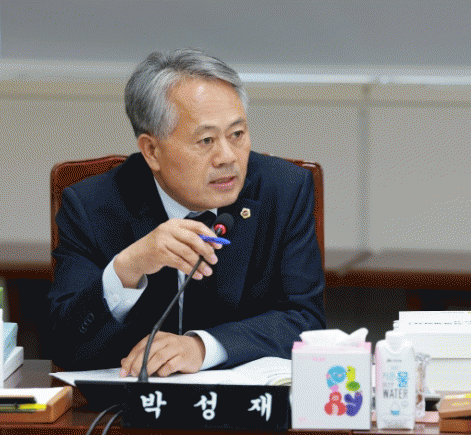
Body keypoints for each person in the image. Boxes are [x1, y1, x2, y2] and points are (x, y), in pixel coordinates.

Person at [48, 48, 325, 376]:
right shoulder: (92, 205)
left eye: (237, 134)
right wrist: (127, 268)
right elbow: (64, 344)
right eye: (206, 140)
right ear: (152, 151)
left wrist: (203, 347)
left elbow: (306, 322)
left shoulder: (283, 191)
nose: (227, 157)